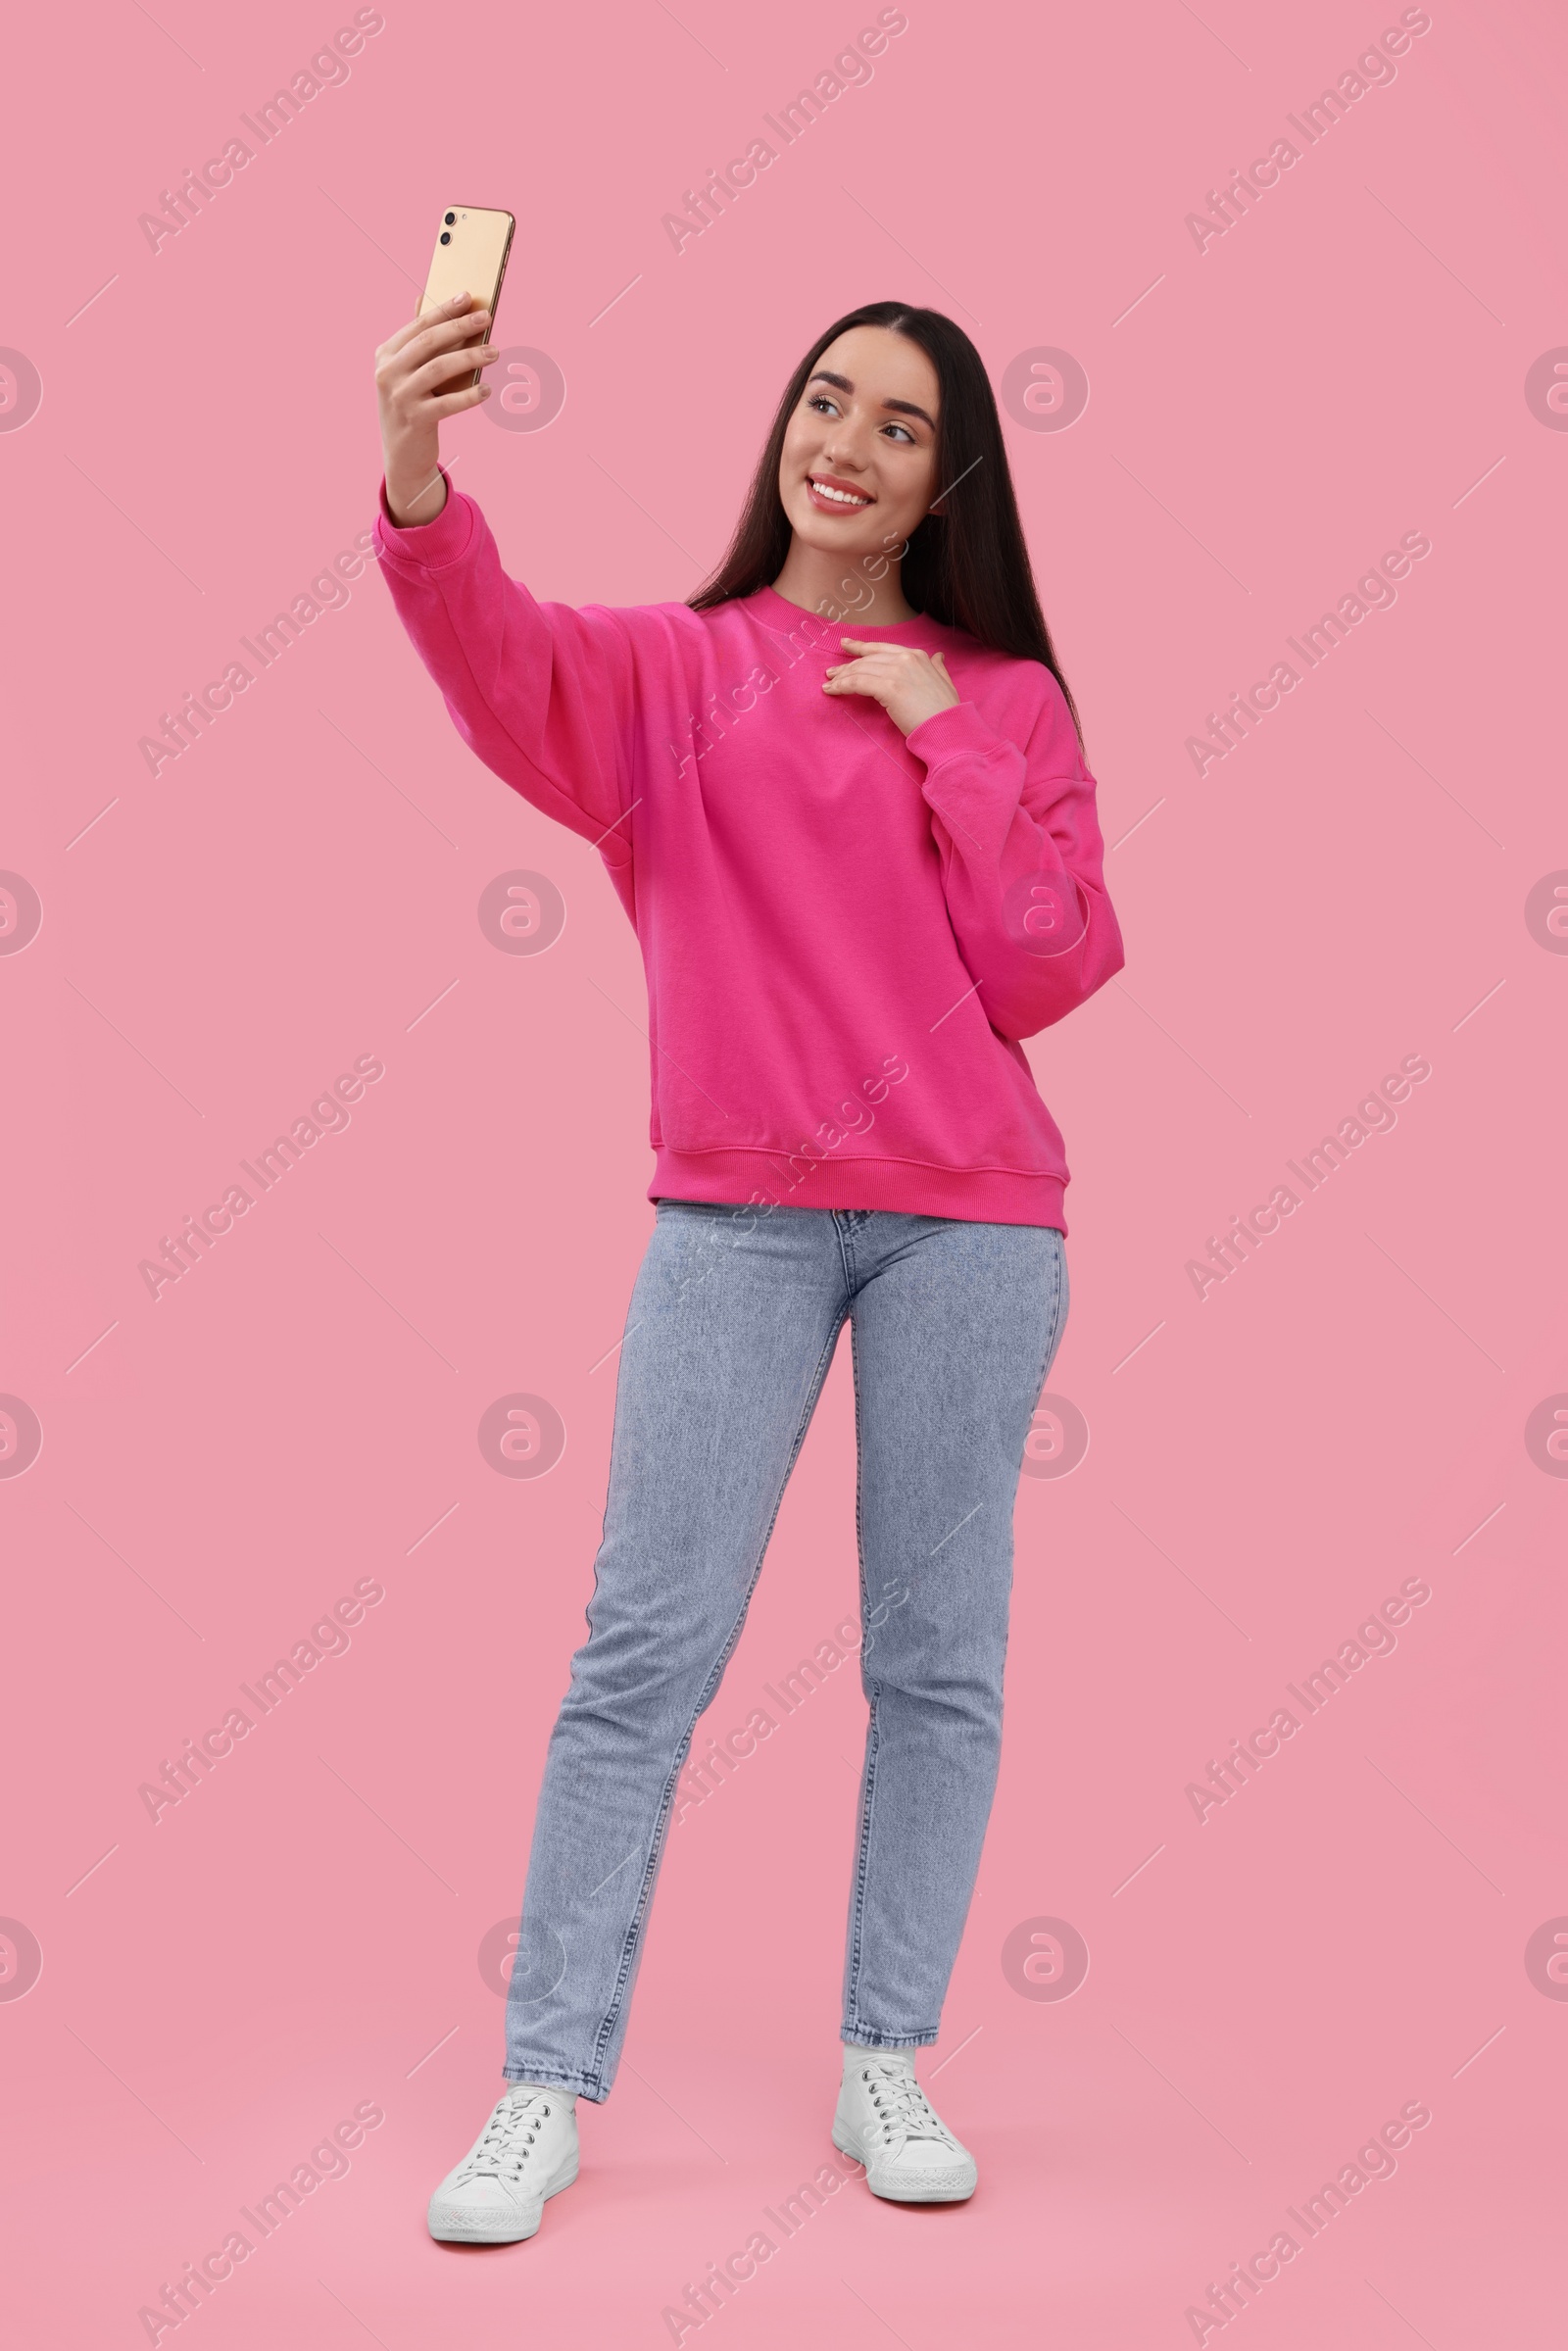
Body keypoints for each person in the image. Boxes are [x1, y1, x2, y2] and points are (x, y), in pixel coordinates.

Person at [371, 295, 1124, 2243]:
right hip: (732, 1220)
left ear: (941, 475)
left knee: (932, 1668)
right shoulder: (673, 678)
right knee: (640, 1658)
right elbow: (493, 650)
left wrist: (943, 732)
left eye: (892, 423)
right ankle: (542, 2081)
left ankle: (888, 2057)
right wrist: (414, 472)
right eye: (819, 400)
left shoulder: (1006, 698)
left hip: (971, 1225)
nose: (842, 442)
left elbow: (1050, 959)